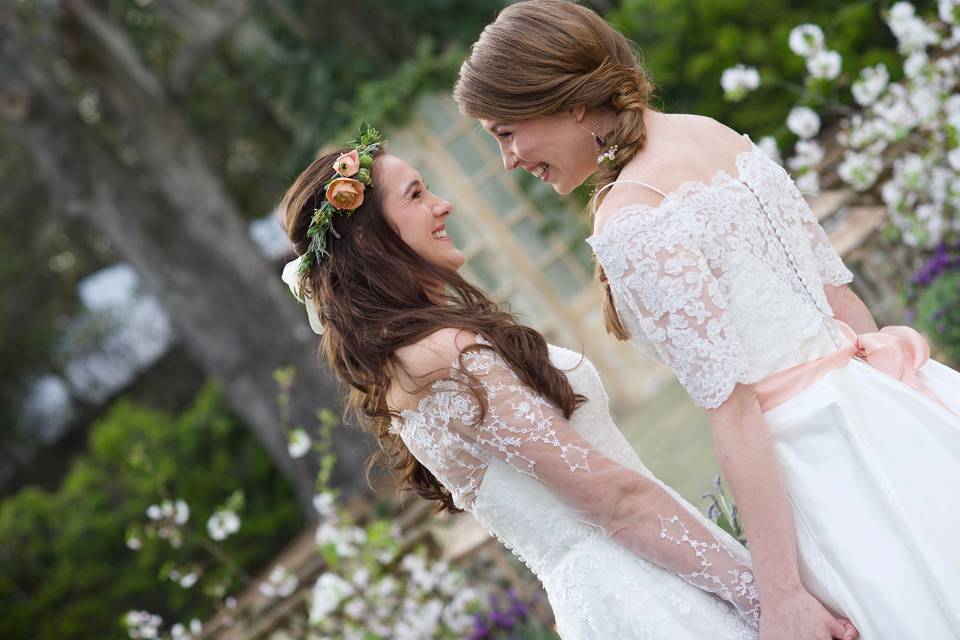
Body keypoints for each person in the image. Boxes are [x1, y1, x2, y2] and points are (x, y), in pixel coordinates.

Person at [453, 1, 960, 638]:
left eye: (506, 132)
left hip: (816, 461)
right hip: (890, 405)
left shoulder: (631, 216)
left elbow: (736, 407)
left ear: (570, 101)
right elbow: (843, 306)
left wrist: (781, 598)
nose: (508, 159)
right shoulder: (715, 133)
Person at [279, 126, 762, 639]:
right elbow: (615, 503)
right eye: (417, 196)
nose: (443, 206)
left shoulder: (405, 363)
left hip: (616, 591)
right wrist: (764, 595)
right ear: (370, 240)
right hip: (648, 592)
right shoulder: (444, 357)